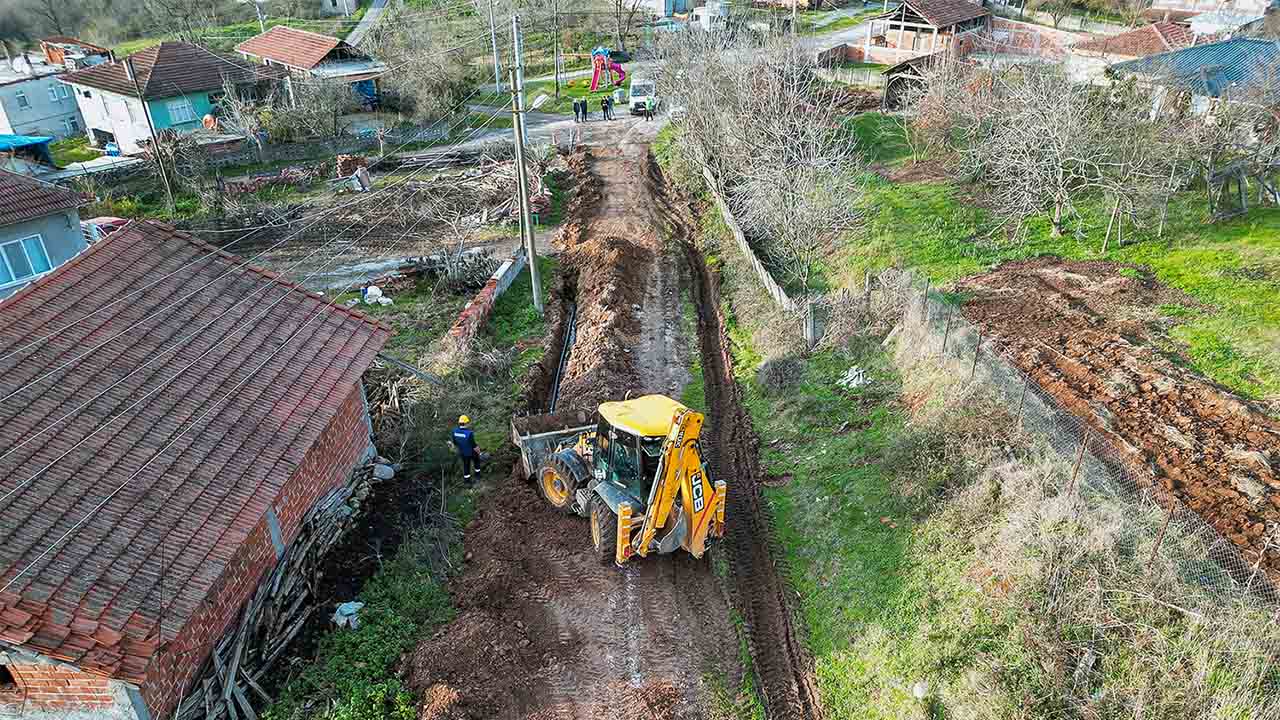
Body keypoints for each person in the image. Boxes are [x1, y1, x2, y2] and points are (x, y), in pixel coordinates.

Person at [450, 415, 484, 482]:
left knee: (466, 465)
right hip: (471, 452)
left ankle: (467, 481)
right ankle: (477, 475)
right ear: (466, 423)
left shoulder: (454, 431)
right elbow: (474, 446)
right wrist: (480, 453)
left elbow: (455, 443)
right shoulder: (469, 433)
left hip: (462, 453)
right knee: (476, 461)